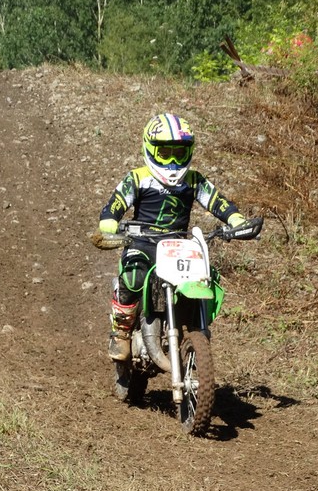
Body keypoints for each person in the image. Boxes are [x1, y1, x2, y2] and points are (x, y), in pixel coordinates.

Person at [98, 112, 255, 363]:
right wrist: (108, 225)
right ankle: (121, 332)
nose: (172, 161)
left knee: (206, 280)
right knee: (132, 277)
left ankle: (197, 330)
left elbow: (218, 202)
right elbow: (115, 204)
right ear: (150, 149)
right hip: (142, 243)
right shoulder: (138, 178)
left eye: (179, 153)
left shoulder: (194, 181)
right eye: (165, 153)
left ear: (189, 152)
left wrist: (236, 221)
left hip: (180, 246)